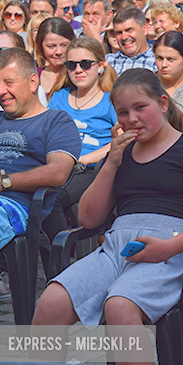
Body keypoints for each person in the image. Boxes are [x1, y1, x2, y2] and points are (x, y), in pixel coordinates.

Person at [32, 69, 183, 350]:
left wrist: (168, 247)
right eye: (122, 113)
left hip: (174, 250)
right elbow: (88, 218)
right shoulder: (121, 156)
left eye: (140, 108)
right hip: (118, 248)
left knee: (121, 305)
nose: (131, 119)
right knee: (51, 301)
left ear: (162, 104)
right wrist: (110, 162)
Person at [0, 47, 80, 295]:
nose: (1, 91)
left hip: (15, 206)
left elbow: (58, 172)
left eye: (8, 82)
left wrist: (3, 183)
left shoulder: (55, 121)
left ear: (33, 82)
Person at [45, 37, 117, 236]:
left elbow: (121, 140)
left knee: (52, 199)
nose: (78, 70)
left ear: (101, 66)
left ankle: (59, 262)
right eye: (71, 65)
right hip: (58, 164)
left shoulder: (110, 99)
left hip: (91, 169)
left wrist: (84, 159)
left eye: (85, 64)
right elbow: (45, 133)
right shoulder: (59, 96)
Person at [106, 7, 156, 74]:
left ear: (144, 29)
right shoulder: (108, 62)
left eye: (129, 30)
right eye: (119, 33)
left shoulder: (158, 61)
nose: (124, 37)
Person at [35, 17, 74, 97]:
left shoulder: (78, 74)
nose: (58, 52)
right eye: (51, 46)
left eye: (64, 45)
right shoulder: (34, 75)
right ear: (41, 46)